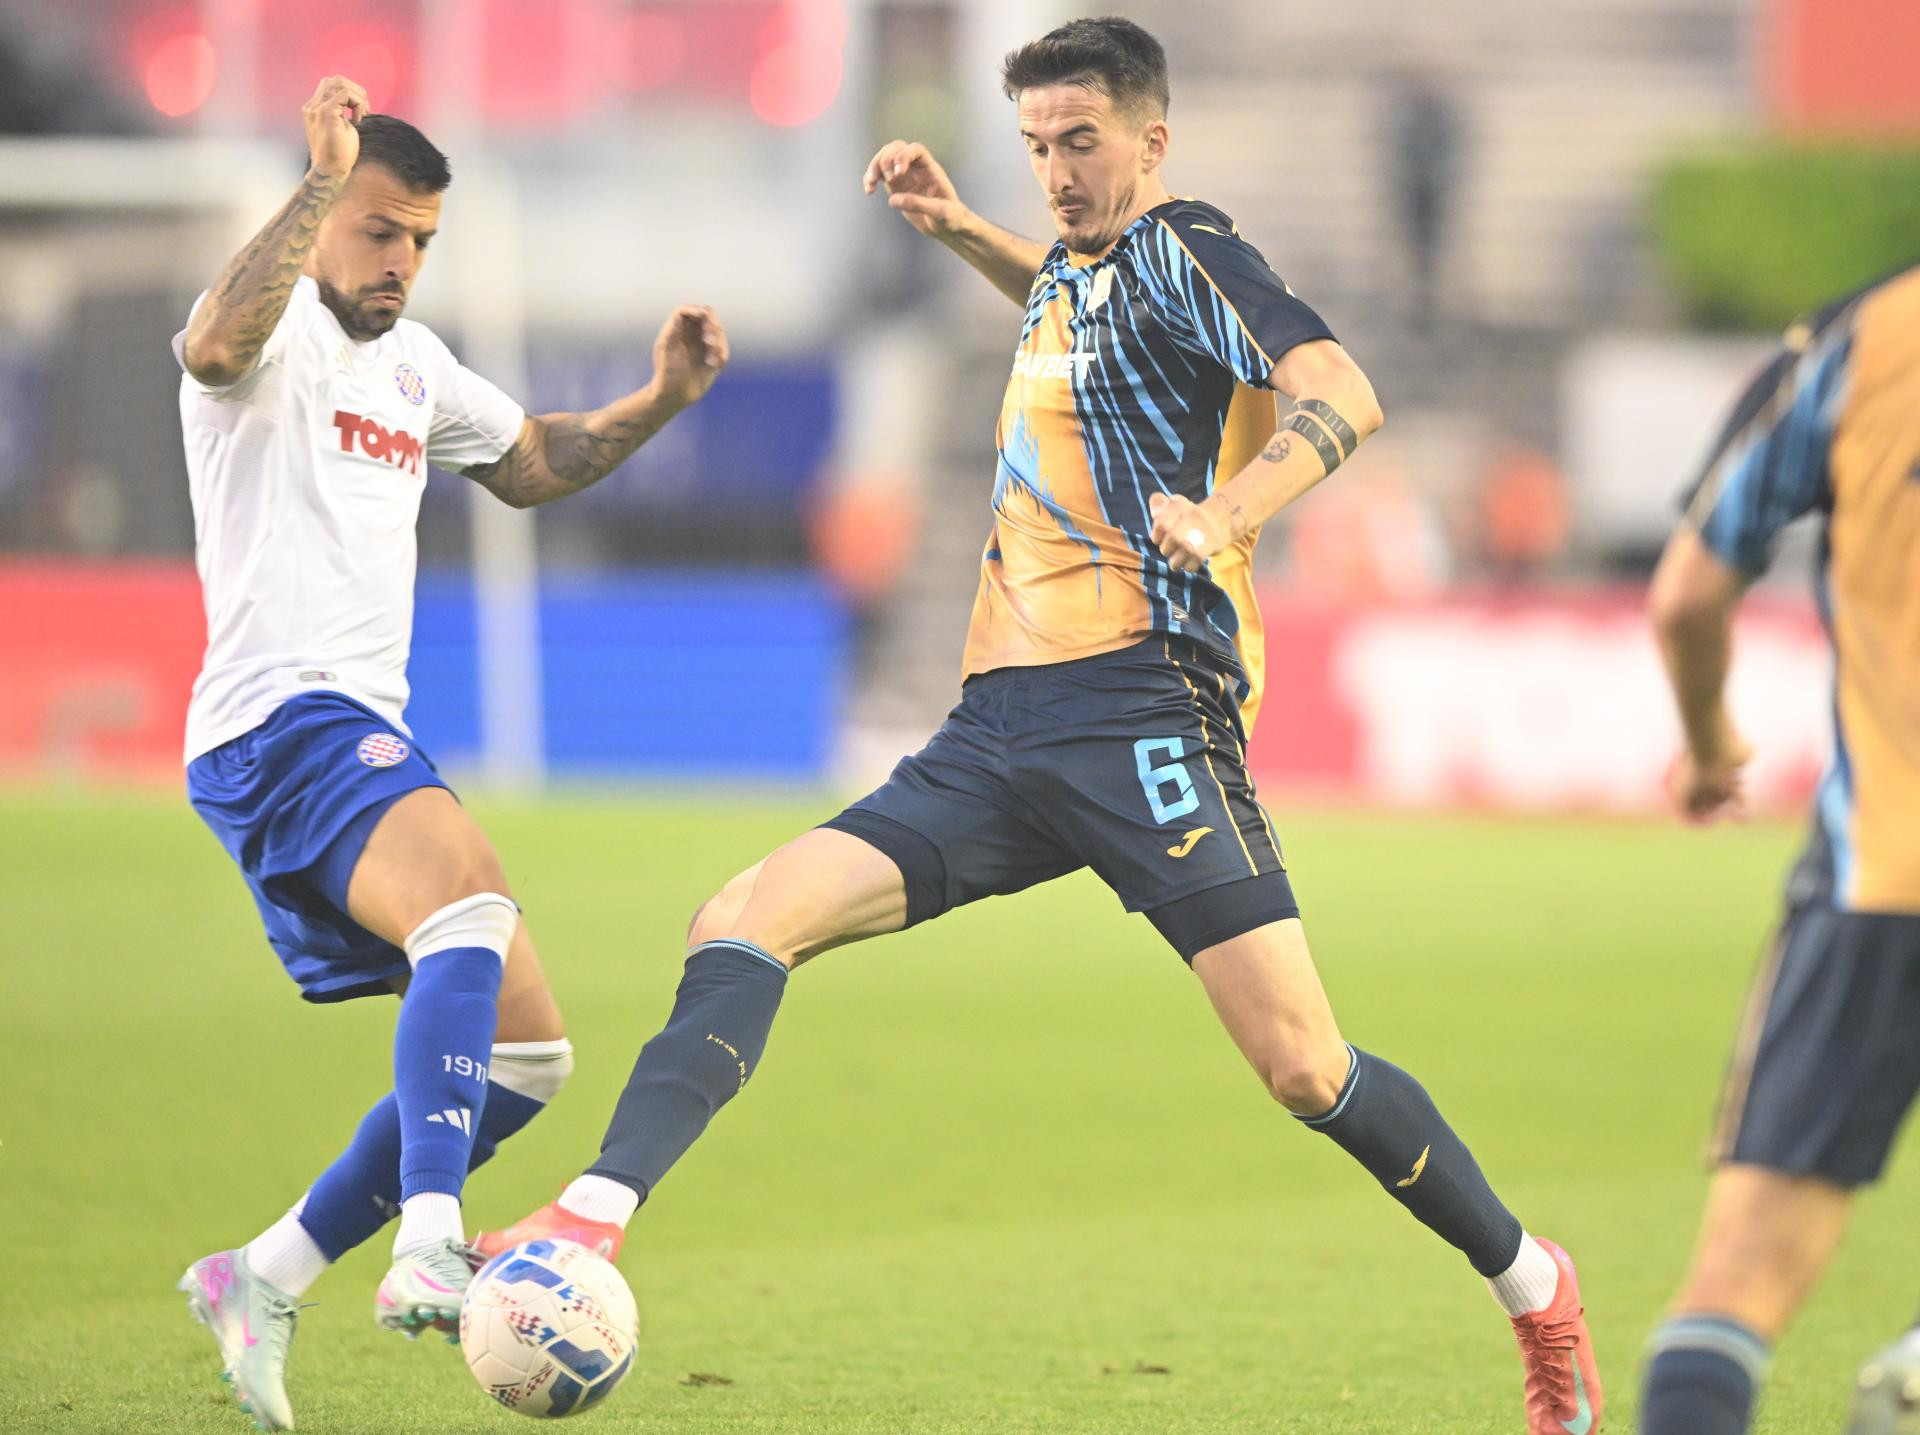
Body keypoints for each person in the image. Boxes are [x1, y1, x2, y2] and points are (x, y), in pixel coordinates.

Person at [484, 19, 1599, 1432]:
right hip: (997, 730)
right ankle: (591, 1216)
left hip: (1145, 711)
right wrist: (961, 226)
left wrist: (1229, 513)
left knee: (1305, 1065)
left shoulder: (1190, 248)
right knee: (741, 916)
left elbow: (1345, 391)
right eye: (1038, 147)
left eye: (1082, 143)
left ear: (1152, 140)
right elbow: (1073, 298)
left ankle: (1535, 1285)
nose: (1058, 173)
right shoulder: (1082, 264)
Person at [171, 75, 727, 1431]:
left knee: (530, 1057)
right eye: (378, 231)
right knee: (469, 902)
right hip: (278, 719)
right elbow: (211, 347)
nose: (400, 261)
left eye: (420, 238)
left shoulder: (414, 365)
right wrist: (316, 182)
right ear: (322, 217)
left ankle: (262, 1272)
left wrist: (661, 399)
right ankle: (430, 1233)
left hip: (350, 729)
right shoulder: (271, 331)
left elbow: (530, 460)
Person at [1640, 263, 1920, 1435]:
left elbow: (1687, 595)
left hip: (1881, 873)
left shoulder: (1870, 338)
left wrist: (1710, 744)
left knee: (1736, 1283)